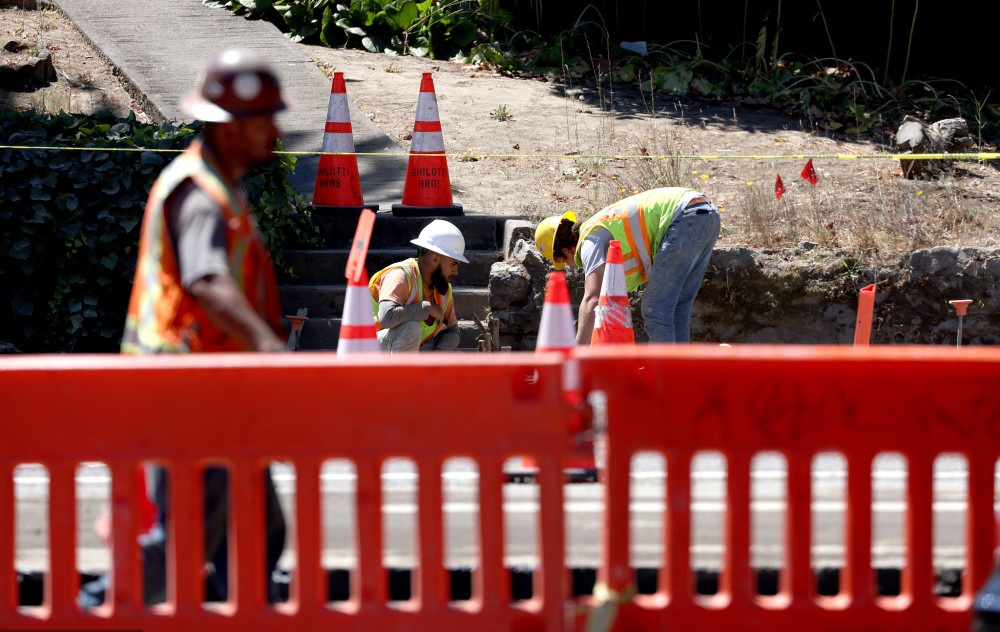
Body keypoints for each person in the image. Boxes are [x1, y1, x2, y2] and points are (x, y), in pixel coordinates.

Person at [117, 48, 289, 605]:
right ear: (232, 129)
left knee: (257, 533)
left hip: (213, 391)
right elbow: (205, 277)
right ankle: (102, 610)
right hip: (188, 392)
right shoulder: (200, 194)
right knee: (182, 543)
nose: (277, 131)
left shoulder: (218, 186)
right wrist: (268, 346)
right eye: (265, 120)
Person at [534, 187, 720, 344]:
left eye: (561, 262)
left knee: (656, 309)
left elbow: (592, 299)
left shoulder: (589, 239)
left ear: (565, 250)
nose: (571, 267)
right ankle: (679, 377)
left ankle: (665, 378)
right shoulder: (601, 226)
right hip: (705, 215)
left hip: (683, 218)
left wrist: (578, 354)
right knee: (678, 308)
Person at [369, 219, 468, 352]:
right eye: (453, 263)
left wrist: (438, 354)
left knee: (456, 357)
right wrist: (425, 309)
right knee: (410, 328)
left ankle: (421, 372)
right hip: (371, 350)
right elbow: (387, 317)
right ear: (435, 259)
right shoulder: (400, 276)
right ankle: (402, 373)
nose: (456, 271)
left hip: (410, 350)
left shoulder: (442, 288)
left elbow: (452, 331)